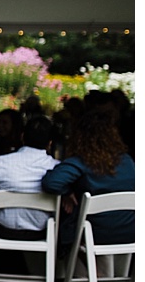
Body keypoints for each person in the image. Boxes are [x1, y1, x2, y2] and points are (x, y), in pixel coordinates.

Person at [41, 108, 134, 256]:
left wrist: (68, 192)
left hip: (95, 236)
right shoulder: (128, 162)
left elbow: (50, 182)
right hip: (131, 233)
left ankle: (62, 272)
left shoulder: (81, 162)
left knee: (66, 221)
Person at [0, 115, 60, 239]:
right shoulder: (56, 168)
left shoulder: (0, 162)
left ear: (22, 137)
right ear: (50, 143)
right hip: (40, 231)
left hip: (3, 229)